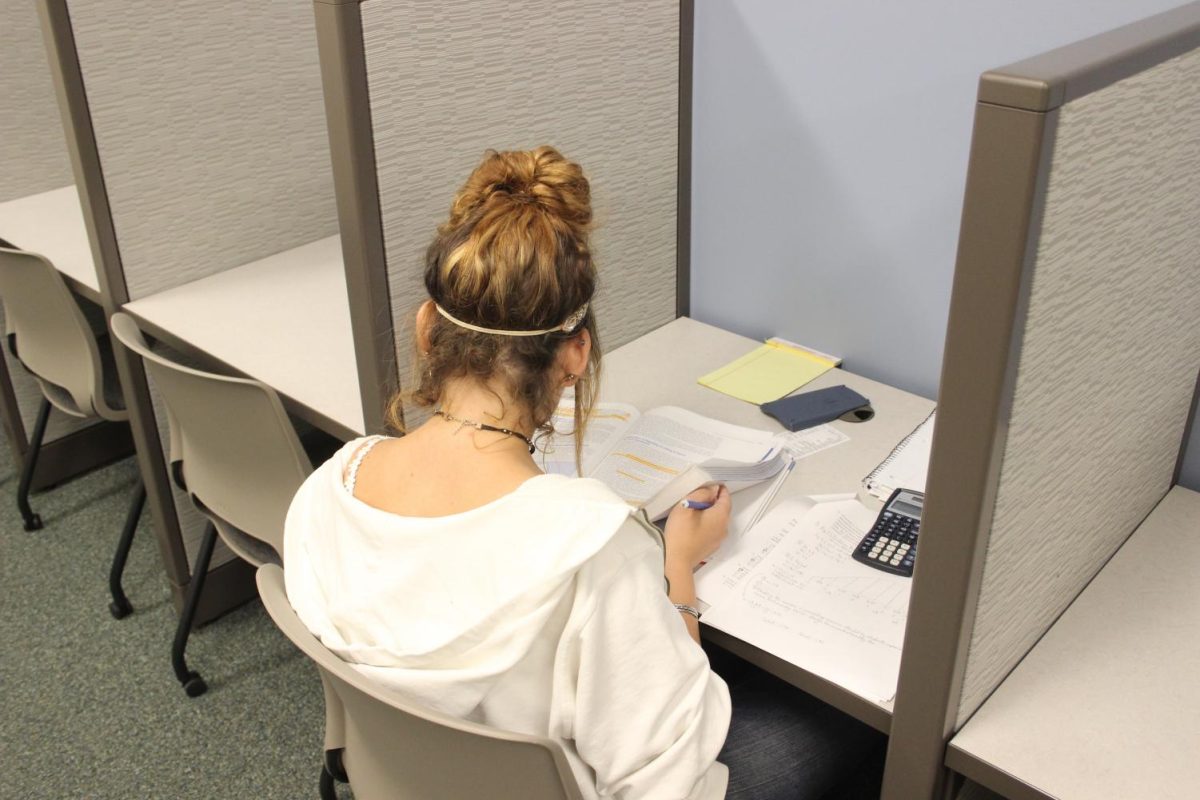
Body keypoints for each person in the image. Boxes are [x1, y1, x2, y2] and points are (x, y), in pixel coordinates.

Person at [284, 146, 883, 799]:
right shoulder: (593, 551)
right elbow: (667, 784)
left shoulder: (326, 489)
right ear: (575, 354)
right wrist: (677, 570)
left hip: (402, 781)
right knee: (845, 729)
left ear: (427, 330)